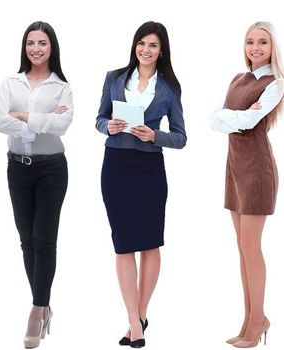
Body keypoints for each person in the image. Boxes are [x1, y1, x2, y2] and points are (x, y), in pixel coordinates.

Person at [95, 21, 186, 349]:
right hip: (116, 167)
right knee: (123, 245)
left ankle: (141, 314)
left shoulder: (169, 89)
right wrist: (110, 127)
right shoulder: (114, 78)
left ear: (162, 52)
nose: (145, 50)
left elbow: (181, 137)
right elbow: (98, 118)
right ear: (135, 46)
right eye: (141, 43)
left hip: (149, 169)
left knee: (149, 243)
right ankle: (132, 319)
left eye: (153, 46)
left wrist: (155, 135)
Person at [0, 21, 73, 349]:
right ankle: (44, 304)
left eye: (42, 43)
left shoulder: (62, 87)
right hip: (18, 169)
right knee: (27, 241)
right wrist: (39, 122)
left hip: (52, 169)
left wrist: (23, 118)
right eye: (31, 43)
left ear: (52, 47)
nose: (36, 49)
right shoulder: (10, 82)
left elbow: (63, 125)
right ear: (24, 47)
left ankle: (37, 310)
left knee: (44, 239)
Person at [208, 21, 284, 349]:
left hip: (256, 171)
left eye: (262, 43)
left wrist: (232, 116)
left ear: (272, 48)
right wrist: (233, 116)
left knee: (251, 247)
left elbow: (249, 121)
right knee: (241, 248)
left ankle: (258, 319)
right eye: (250, 42)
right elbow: (214, 119)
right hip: (234, 169)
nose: (255, 48)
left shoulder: (276, 82)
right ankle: (249, 318)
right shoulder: (237, 79)